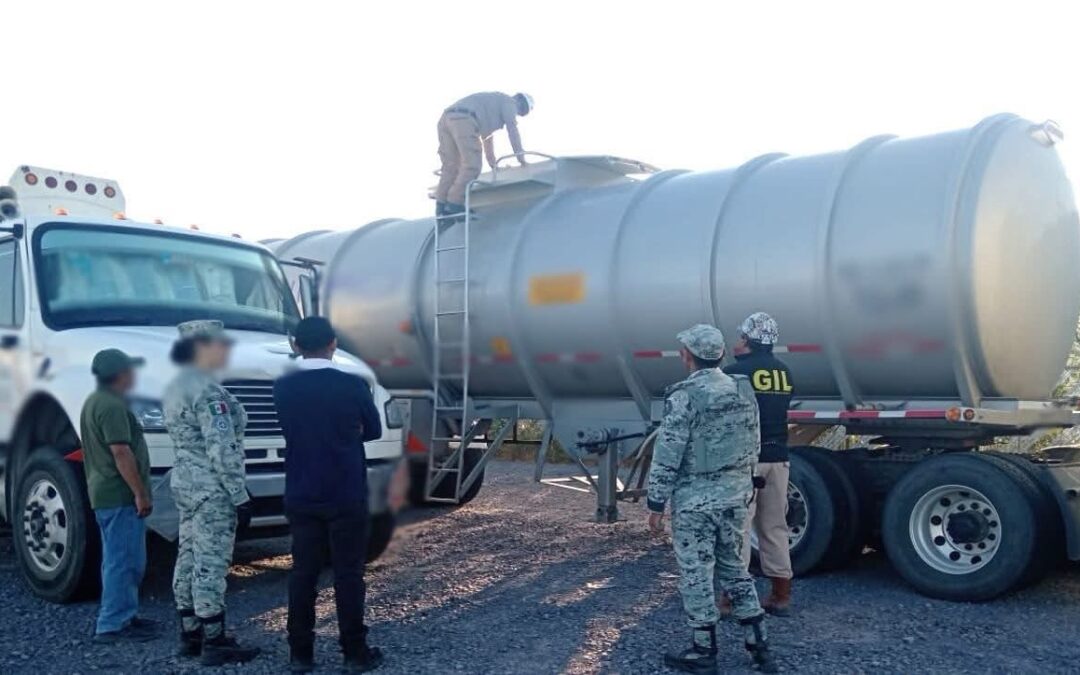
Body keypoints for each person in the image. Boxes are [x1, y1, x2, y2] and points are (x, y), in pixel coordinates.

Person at [647, 324, 778, 674]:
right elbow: (754, 440)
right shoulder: (741, 389)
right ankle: (759, 646)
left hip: (696, 502)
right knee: (736, 569)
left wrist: (656, 504)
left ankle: (703, 650)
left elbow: (668, 452)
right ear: (720, 354)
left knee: (696, 573)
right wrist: (746, 486)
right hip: (736, 495)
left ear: (687, 356)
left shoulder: (684, 395)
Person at [273, 317, 384, 673]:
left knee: (303, 573)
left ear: (296, 345)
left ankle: (300, 654)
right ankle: (354, 652)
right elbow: (374, 430)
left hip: (302, 489)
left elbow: (290, 428)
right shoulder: (352, 384)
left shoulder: (283, 387)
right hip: (345, 489)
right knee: (348, 573)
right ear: (333, 343)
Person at [162, 320, 260, 666]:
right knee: (211, 562)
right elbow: (221, 447)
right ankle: (215, 642)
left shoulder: (176, 386)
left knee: (187, 556)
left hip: (186, 484)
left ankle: (190, 634)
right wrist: (239, 494)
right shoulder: (206, 391)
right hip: (211, 487)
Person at [80, 348, 157, 644]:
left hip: (104, 492)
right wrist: (140, 493)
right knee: (123, 560)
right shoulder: (111, 405)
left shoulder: (94, 401)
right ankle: (112, 624)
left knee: (119, 558)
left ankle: (125, 614)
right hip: (119, 494)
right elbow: (121, 452)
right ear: (122, 374)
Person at [724, 312, 794, 616]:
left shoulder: (734, 373)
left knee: (737, 531)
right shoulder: (784, 373)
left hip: (746, 462)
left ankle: (731, 600)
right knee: (775, 528)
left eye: (741, 336)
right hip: (778, 460)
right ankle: (781, 597)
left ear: (750, 339)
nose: (738, 341)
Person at [434, 91, 534, 219]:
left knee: (451, 167)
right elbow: (512, 129)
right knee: (472, 165)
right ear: (521, 103)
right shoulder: (510, 103)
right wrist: (521, 158)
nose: (517, 113)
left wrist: (493, 164)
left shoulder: (491, 106)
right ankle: (455, 202)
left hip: (447, 118)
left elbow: (487, 138)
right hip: (465, 119)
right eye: (521, 111)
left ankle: (441, 206)